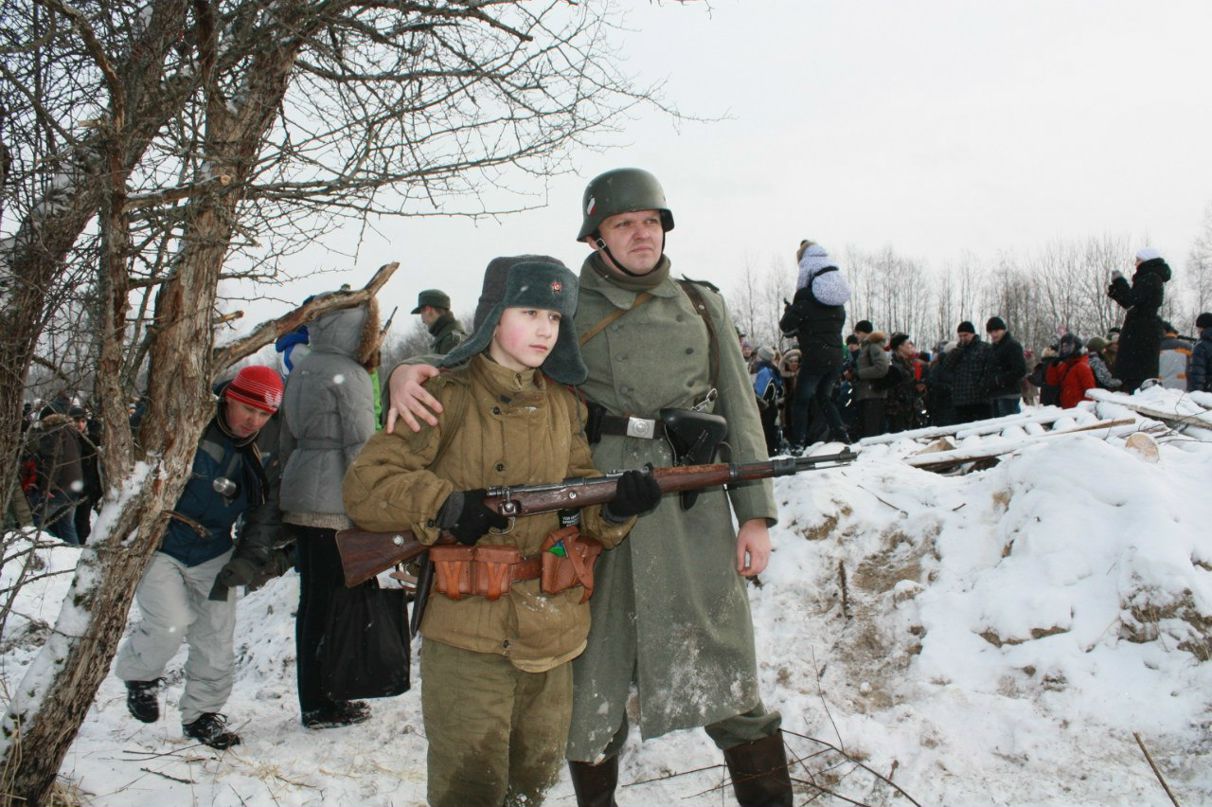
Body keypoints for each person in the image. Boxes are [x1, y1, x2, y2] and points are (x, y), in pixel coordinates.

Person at [385, 168, 792, 807]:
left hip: (688, 506)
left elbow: (743, 410)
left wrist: (756, 517)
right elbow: (492, 347)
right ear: (595, 237)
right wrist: (414, 369)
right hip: (590, 505)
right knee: (589, 683)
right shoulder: (567, 302)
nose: (641, 235)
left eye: (651, 222)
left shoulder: (701, 303)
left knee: (725, 668)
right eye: (624, 224)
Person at [344, 259, 653, 807]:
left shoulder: (563, 402)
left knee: (532, 786)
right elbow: (366, 486)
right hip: (470, 636)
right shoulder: (446, 395)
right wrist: (443, 504)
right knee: (471, 789)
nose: (543, 329)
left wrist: (619, 506)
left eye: (555, 318)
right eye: (529, 312)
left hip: (553, 634)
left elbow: (582, 506)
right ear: (492, 317)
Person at [114, 365, 285, 749]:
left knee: (216, 636)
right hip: (163, 543)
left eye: (263, 415)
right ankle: (140, 676)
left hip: (215, 550)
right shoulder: (196, 417)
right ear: (229, 399)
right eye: (247, 410)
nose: (253, 421)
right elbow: (142, 438)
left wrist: (248, 559)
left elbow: (265, 511)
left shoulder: (270, 443)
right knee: (171, 623)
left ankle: (202, 715)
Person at [279, 298, 381, 729]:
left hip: (303, 489)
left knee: (313, 602)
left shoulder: (303, 366)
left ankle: (316, 697)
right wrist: (375, 502)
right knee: (335, 602)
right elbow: (361, 445)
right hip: (334, 499)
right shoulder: (350, 374)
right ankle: (325, 700)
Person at [779, 241, 850, 449]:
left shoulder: (806, 299)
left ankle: (798, 444)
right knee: (824, 397)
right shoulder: (837, 305)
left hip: (815, 357)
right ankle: (842, 435)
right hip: (835, 357)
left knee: (801, 401)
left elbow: (786, 326)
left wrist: (790, 310)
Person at [1107, 247, 1171, 392]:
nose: (1135, 263)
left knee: (1136, 376)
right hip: (1142, 331)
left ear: (1146, 261)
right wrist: (1118, 289)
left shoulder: (1150, 278)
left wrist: (1120, 282)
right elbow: (1132, 302)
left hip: (1141, 333)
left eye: (1138, 260)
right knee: (1137, 375)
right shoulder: (1151, 278)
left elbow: (1132, 300)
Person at [25, 402, 84, 545]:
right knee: (66, 526)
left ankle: (52, 546)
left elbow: (54, 458)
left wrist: (47, 486)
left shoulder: (53, 431)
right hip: (75, 485)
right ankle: (74, 554)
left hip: (60, 487)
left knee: (33, 522)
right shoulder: (70, 432)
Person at [845, 321, 890, 439]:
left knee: (872, 433)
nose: (856, 336)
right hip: (866, 394)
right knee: (867, 430)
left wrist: (859, 374)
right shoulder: (866, 347)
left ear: (865, 333)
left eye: (858, 332)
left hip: (872, 395)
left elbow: (882, 368)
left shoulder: (873, 346)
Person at [943, 321, 991, 423]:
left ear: (972, 334)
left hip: (980, 399)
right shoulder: (957, 350)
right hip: (961, 399)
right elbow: (946, 367)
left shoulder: (985, 348)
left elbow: (989, 370)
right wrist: (957, 351)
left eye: (965, 335)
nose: (963, 338)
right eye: (960, 336)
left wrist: (983, 386)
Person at [984, 317, 1027, 417]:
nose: (994, 334)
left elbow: (1020, 370)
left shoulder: (1012, 345)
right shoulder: (993, 348)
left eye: (996, 331)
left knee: (1010, 427)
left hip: (1009, 394)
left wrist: (999, 380)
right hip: (996, 394)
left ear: (1003, 330)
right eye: (991, 332)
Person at [885, 333, 926, 433]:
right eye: (908, 344)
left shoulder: (911, 363)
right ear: (900, 347)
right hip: (899, 410)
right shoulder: (892, 364)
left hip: (912, 409)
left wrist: (920, 388)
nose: (910, 347)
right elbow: (893, 388)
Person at [1045, 333, 1096, 408]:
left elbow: (1090, 391)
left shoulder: (1082, 366)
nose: (1065, 350)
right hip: (1067, 408)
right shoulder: (1065, 365)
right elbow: (1052, 382)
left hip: (1079, 409)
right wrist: (1053, 366)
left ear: (1076, 346)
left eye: (1068, 346)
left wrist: (1086, 408)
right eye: (1063, 347)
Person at [412, 288, 467, 355]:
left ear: (428, 310)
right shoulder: (445, 339)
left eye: (422, 312)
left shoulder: (451, 341)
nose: (423, 320)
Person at [751, 346, 784, 454]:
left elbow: (759, 392)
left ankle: (768, 453)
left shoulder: (763, 371)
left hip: (764, 407)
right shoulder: (772, 369)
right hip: (771, 406)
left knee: (765, 432)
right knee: (771, 431)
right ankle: (773, 450)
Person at [1157, 322, 1193, 390]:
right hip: (1182, 389)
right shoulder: (1187, 347)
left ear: (1163, 331)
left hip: (1160, 389)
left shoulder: (1154, 347)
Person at [1189, 312, 1212, 393]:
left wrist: (1195, 394)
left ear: (1202, 327)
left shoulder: (1201, 346)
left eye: (1198, 328)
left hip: (1207, 394)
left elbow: (1197, 374)